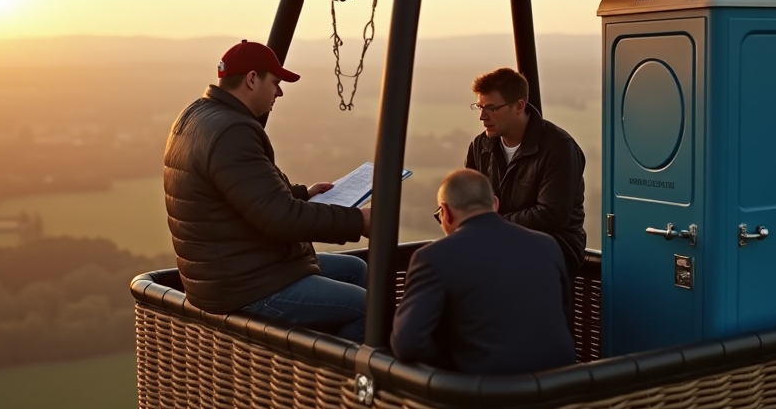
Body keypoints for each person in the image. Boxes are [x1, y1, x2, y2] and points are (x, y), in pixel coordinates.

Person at [163, 40, 372, 341]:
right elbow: (280, 218)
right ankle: (335, 384)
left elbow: (248, 194)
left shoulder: (198, 115)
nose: (279, 92)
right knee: (366, 308)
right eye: (275, 82)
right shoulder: (233, 131)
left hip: (243, 267)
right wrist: (359, 222)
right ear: (251, 79)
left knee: (355, 269)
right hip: (245, 285)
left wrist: (303, 194)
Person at [390, 169, 576, 374]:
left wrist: (449, 363)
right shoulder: (547, 245)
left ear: (446, 212)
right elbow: (564, 318)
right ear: (495, 204)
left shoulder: (433, 258)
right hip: (560, 388)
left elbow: (406, 343)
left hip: (487, 395)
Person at [465, 68, 587, 275]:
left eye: (491, 108)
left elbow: (551, 216)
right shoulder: (480, 146)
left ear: (519, 106)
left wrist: (492, 224)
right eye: (479, 107)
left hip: (554, 244)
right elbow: (468, 201)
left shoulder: (559, 148)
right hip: (499, 238)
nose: (482, 116)